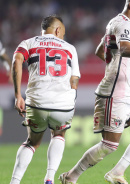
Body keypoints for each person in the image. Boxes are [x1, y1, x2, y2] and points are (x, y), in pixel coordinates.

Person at [59, 0, 130, 184]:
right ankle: (71, 177)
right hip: (114, 93)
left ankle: (116, 173)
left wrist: (114, 63)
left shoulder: (115, 23)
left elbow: (99, 51)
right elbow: (125, 49)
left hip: (125, 92)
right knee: (109, 145)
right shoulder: (124, 23)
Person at [10, 15, 80, 184]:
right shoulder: (70, 48)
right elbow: (74, 79)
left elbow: (16, 61)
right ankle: (49, 178)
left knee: (32, 142)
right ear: (58, 30)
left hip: (36, 103)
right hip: (63, 105)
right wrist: (72, 99)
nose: (63, 35)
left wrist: (18, 95)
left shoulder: (28, 43)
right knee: (59, 134)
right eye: (62, 32)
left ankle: (14, 181)